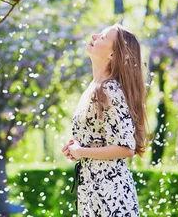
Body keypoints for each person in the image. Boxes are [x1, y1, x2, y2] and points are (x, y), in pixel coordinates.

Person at [61, 23, 150, 216]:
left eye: (102, 37)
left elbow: (126, 148)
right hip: (92, 191)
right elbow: (100, 139)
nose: (93, 36)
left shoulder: (110, 90)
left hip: (110, 195)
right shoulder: (95, 87)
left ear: (113, 55)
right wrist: (76, 148)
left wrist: (81, 151)